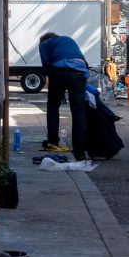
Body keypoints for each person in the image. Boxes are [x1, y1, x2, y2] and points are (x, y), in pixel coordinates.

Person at [39, 32, 90, 162]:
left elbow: (46, 64)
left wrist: (50, 78)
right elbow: (84, 61)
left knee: (53, 107)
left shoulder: (44, 43)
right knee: (78, 111)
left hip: (59, 73)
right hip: (78, 73)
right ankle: (80, 151)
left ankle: (53, 142)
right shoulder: (69, 39)